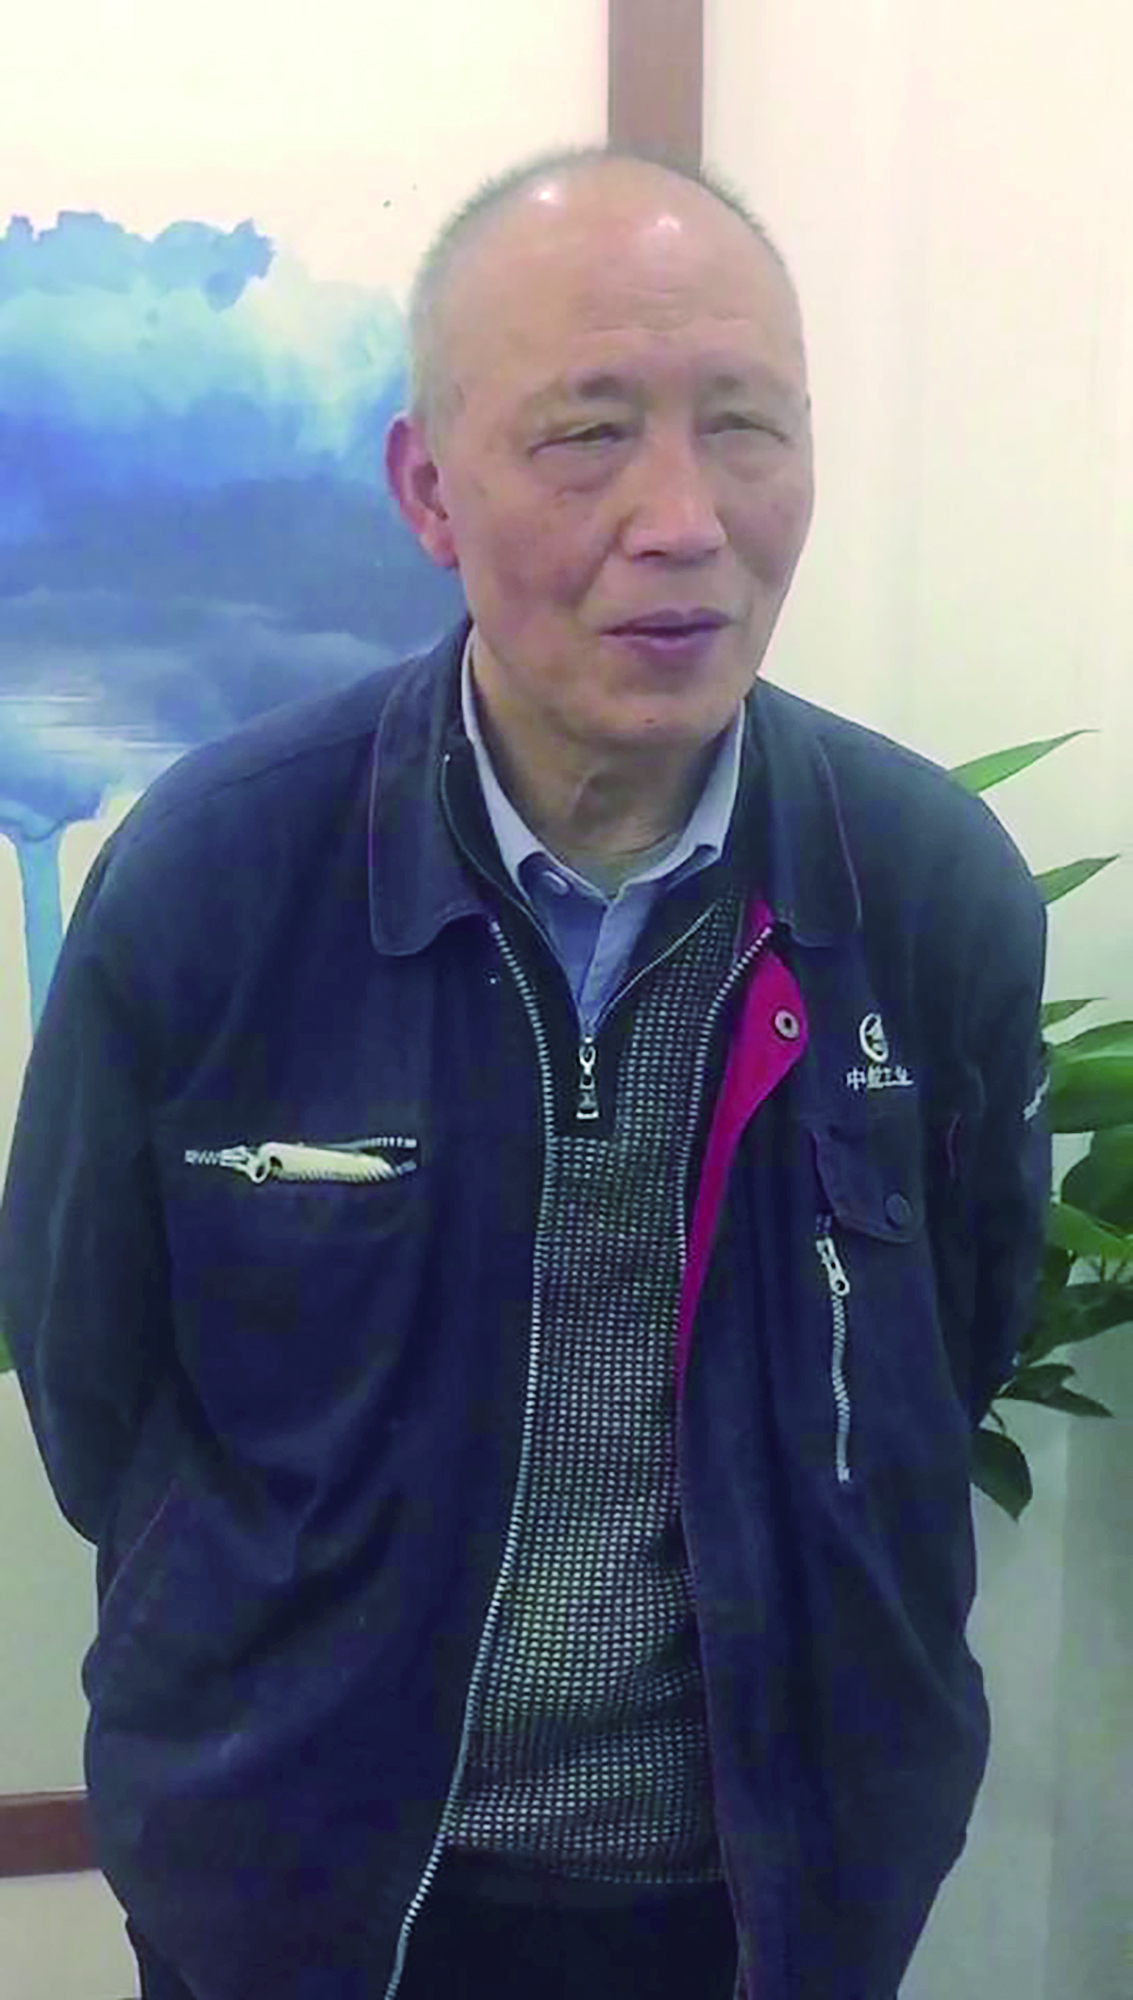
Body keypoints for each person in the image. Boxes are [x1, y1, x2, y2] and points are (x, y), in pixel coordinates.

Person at [0, 147, 1051, 2000]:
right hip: (305, 1902)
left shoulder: (921, 887)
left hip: (769, 1904)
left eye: (747, 426)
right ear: (429, 488)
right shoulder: (217, 879)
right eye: (588, 435)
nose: (684, 519)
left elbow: (952, 1337)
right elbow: (97, 1386)